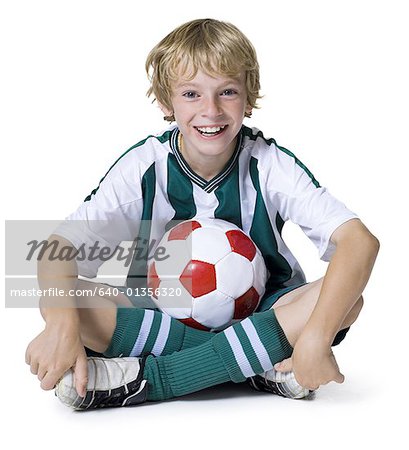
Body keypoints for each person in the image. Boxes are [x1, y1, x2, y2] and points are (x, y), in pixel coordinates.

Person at [25, 18, 379, 410]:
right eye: (191, 94)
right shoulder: (144, 167)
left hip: (264, 312)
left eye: (227, 92)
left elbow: (359, 242)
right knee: (58, 297)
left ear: (249, 97)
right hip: (159, 318)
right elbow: (58, 247)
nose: (210, 110)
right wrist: (60, 326)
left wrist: (315, 336)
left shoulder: (269, 163)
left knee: (348, 299)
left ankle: (145, 378)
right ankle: (257, 364)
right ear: (165, 101)